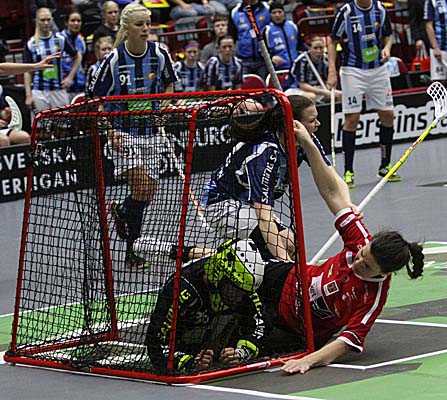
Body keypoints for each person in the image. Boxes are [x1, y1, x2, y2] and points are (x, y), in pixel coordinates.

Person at [136, 114, 424, 374]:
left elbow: (347, 342)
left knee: (235, 350)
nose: (357, 261)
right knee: (236, 264)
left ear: (383, 273)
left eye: (366, 266)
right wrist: (309, 144)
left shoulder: (372, 297)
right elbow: (331, 192)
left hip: (295, 329)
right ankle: (169, 251)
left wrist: (309, 360)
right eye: (361, 254)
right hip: (285, 279)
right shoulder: (360, 239)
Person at [89, 3, 177, 269]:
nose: (146, 29)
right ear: (126, 28)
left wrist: (165, 107)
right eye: (140, 24)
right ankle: (132, 251)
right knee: (141, 188)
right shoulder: (113, 61)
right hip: (123, 134)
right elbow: (97, 100)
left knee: (147, 194)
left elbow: (169, 85)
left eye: (148, 24)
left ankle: (122, 211)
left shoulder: (159, 54)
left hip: (151, 134)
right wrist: (110, 131)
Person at [200, 95, 334, 261]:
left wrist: (347, 208)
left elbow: (331, 177)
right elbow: (264, 217)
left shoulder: (304, 140)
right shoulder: (264, 153)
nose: (318, 123)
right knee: (274, 249)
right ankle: (197, 255)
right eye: (312, 120)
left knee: (291, 244)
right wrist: (286, 266)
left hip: (248, 204)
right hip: (221, 204)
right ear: (294, 124)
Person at [143, 238, 267, 373]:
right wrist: (188, 363)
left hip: (218, 343)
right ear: (220, 274)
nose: (239, 298)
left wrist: (241, 353)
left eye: (243, 293)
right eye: (235, 291)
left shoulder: (243, 287)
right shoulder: (182, 289)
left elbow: (262, 325)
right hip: (183, 345)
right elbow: (155, 342)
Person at [328, 0, 401, 189]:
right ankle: (348, 171)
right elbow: (333, 41)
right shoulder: (346, 12)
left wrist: (387, 48)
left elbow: (388, 35)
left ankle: (385, 166)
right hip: (353, 71)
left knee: (388, 115)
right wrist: (332, 70)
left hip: (378, 70)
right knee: (352, 119)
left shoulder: (380, 9)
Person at [23, 8, 83, 116]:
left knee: (63, 123)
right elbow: (27, 71)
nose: (46, 23)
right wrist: (28, 95)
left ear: (52, 20)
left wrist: (70, 77)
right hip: (39, 90)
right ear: (36, 21)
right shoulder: (30, 44)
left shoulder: (60, 39)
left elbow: (77, 56)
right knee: (41, 124)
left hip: (58, 89)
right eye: (42, 20)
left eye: (48, 19)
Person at [285, 35, 341, 103]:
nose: (318, 51)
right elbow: (302, 85)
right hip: (295, 89)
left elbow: (326, 81)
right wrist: (324, 92)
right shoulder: (302, 60)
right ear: (309, 48)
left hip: (316, 88)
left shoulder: (325, 59)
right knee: (311, 97)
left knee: (339, 95)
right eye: (315, 48)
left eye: (321, 48)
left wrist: (329, 89)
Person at [230, 0, 271, 78]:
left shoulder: (267, 9)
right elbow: (232, 36)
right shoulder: (235, 11)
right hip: (243, 60)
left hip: (263, 59)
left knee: (264, 84)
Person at [58, 11, 87, 101]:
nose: (76, 23)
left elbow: (83, 61)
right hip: (64, 86)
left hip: (80, 86)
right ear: (66, 23)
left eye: (78, 21)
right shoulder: (59, 39)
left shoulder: (81, 40)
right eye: (73, 20)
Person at [262, 1, 299, 71]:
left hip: (295, 67)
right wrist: (271, 58)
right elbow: (262, 51)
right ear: (270, 14)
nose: (277, 15)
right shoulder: (267, 30)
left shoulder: (292, 26)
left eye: (279, 12)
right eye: (274, 13)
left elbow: (300, 45)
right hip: (278, 69)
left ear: (284, 13)